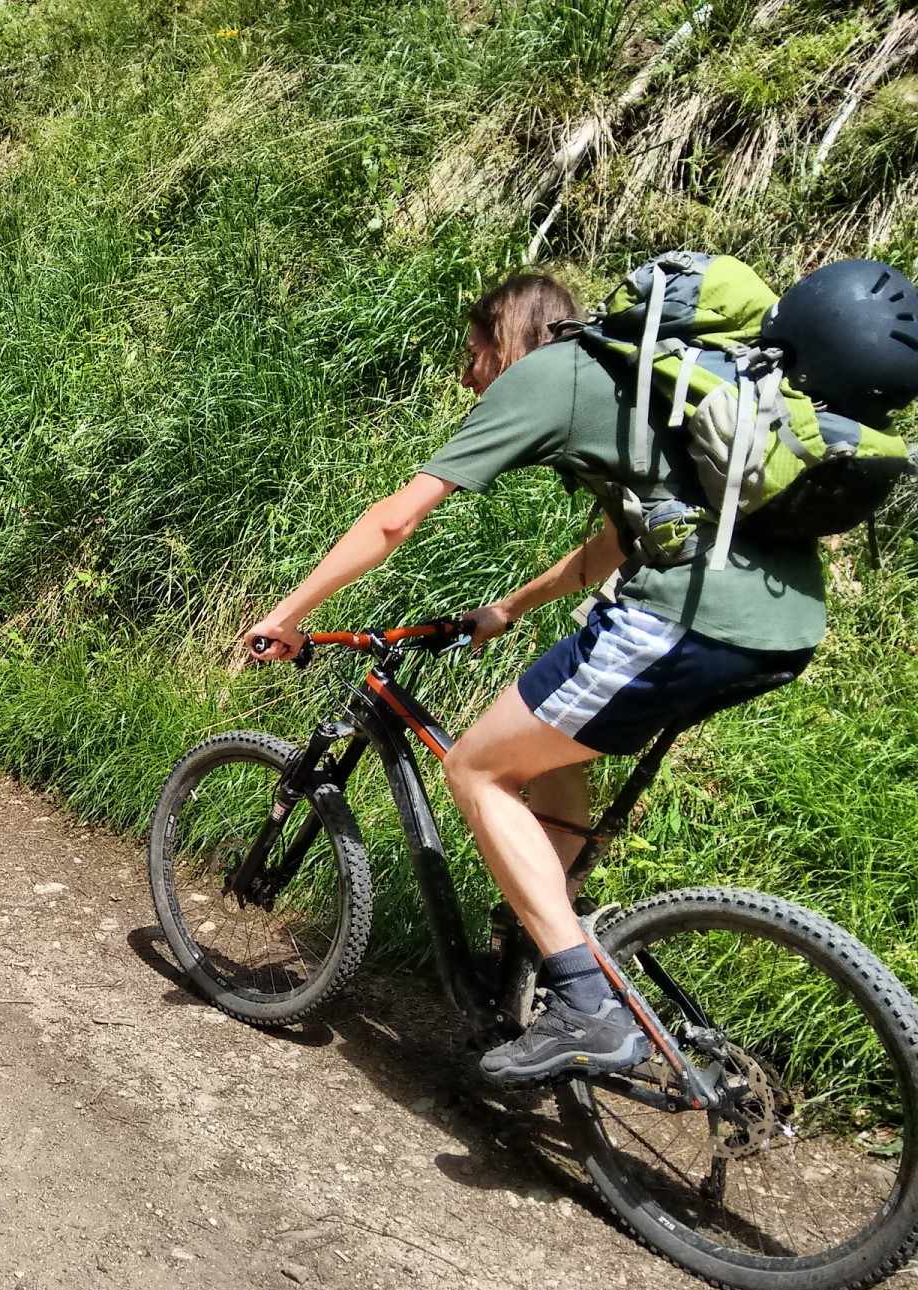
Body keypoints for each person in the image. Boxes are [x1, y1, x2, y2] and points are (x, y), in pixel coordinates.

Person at [243, 259, 918, 1085]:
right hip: (779, 632)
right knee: (552, 749)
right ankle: (536, 947)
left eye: (473, 353)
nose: (468, 375)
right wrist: (509, 607)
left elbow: (395, 520)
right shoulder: (651, 381)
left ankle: (584, 1003)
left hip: (683, 623)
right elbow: (619, 540)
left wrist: (286, 614)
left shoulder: (552, 374)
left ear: (505, 337)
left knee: (476, 769)